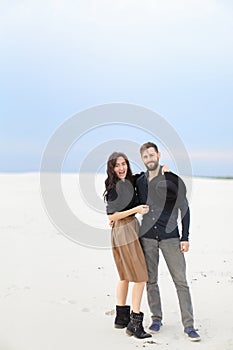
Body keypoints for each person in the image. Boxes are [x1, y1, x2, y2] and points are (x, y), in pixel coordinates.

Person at [136, 142, 201, 342]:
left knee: (180, 281)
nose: (149, 159)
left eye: (151, 155)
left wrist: (185, 237)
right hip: (147, 238)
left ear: (158, 155)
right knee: (151, 281)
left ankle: (189, 325)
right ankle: (156, 318)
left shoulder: (173, 180)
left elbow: (184, 208)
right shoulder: (139, 181)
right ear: (142, 160)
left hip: (171, 237)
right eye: (145, 157)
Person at [104, 152, 152, 339]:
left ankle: (120, 317)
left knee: (124, 276)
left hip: (121, 229)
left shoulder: (129, 181)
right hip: (125, 230)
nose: (121, 168)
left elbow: (144, 174)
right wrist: (136, 210)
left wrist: (163, 168)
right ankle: (135, 323)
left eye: (123, 164)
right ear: (112, 168)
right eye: (117, 165)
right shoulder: (115, 187)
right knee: (140, 277)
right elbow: (111, 215)